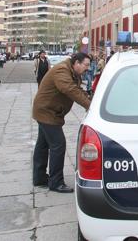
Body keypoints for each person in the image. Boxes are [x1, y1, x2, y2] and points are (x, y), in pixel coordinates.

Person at [32, 52, 92, 193]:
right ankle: (56, 182)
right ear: (76, 63)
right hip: (47, 112)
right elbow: (69, 89)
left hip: (49, 111)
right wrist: (90, 106)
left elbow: (77, 89)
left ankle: (39, 178)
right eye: (86, 65)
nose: (88, 68)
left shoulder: (72, 71)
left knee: (42, 144)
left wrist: (91, 100)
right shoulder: (62, 70)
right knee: (58, 145)